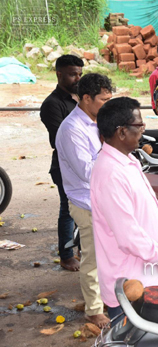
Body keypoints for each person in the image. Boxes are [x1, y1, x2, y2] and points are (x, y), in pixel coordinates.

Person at [91, 97, 158, 322]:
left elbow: (149, 214)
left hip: (147, 274)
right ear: (122, 132)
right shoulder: (110, 174)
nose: (143, 131)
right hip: (130, 284)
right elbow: (129, 238)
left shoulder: (128, 161)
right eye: (139, 126)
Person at [55, 73, 113, 327]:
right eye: (103, 100)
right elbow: (87, 172)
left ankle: (109, 298)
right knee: (93, 259)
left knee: (110, 255)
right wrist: (112, 153)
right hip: (86, 203)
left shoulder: (97, 120)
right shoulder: (71, 129)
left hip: (104, 200)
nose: (107, 105)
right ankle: (93, 310)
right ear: (86, 98)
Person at [40, 55, 83, 272]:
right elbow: (60, 139)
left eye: (80, 74)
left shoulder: (80, 98)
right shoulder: (52, 104)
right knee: (67, 211)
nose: (77, 78)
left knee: (83, 209)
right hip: (64, 167)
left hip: (83, 164)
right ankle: (66, 256)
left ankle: (80, 248)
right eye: (73, 74)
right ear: (59, 74)